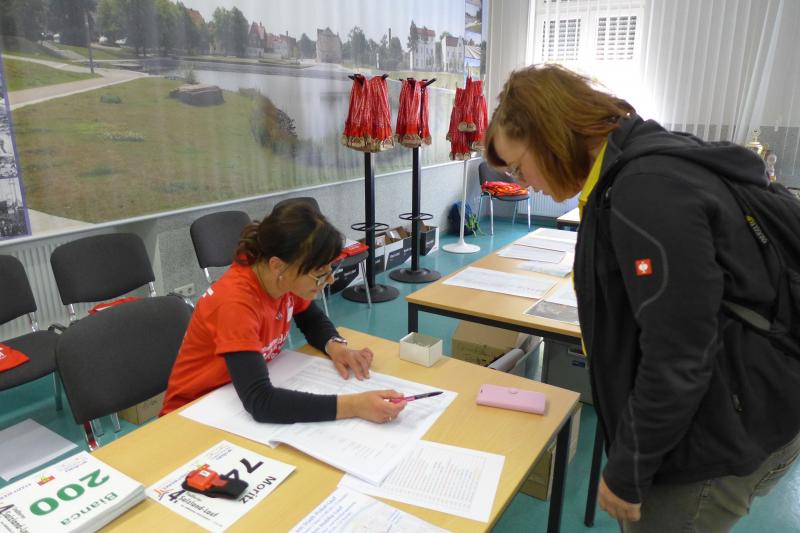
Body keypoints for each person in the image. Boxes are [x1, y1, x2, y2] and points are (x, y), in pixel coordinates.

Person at [484, 64, 800, 532]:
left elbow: (678, 351)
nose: (523, 182)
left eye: (518, 166)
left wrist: (630, 467)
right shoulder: (639, 160)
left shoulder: (645, 190)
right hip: (753, 398)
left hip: (713, 437)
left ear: (550, 136)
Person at [161, 201, 406, 424]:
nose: (330, 280)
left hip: (232, 398)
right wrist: (354, 405)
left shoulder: (279, 278)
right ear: (278, 265)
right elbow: (261, 402)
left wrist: (336, 347)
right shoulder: (235, 304)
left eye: (330, 269)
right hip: (192, 415)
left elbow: (311, 320)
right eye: (320, 272)